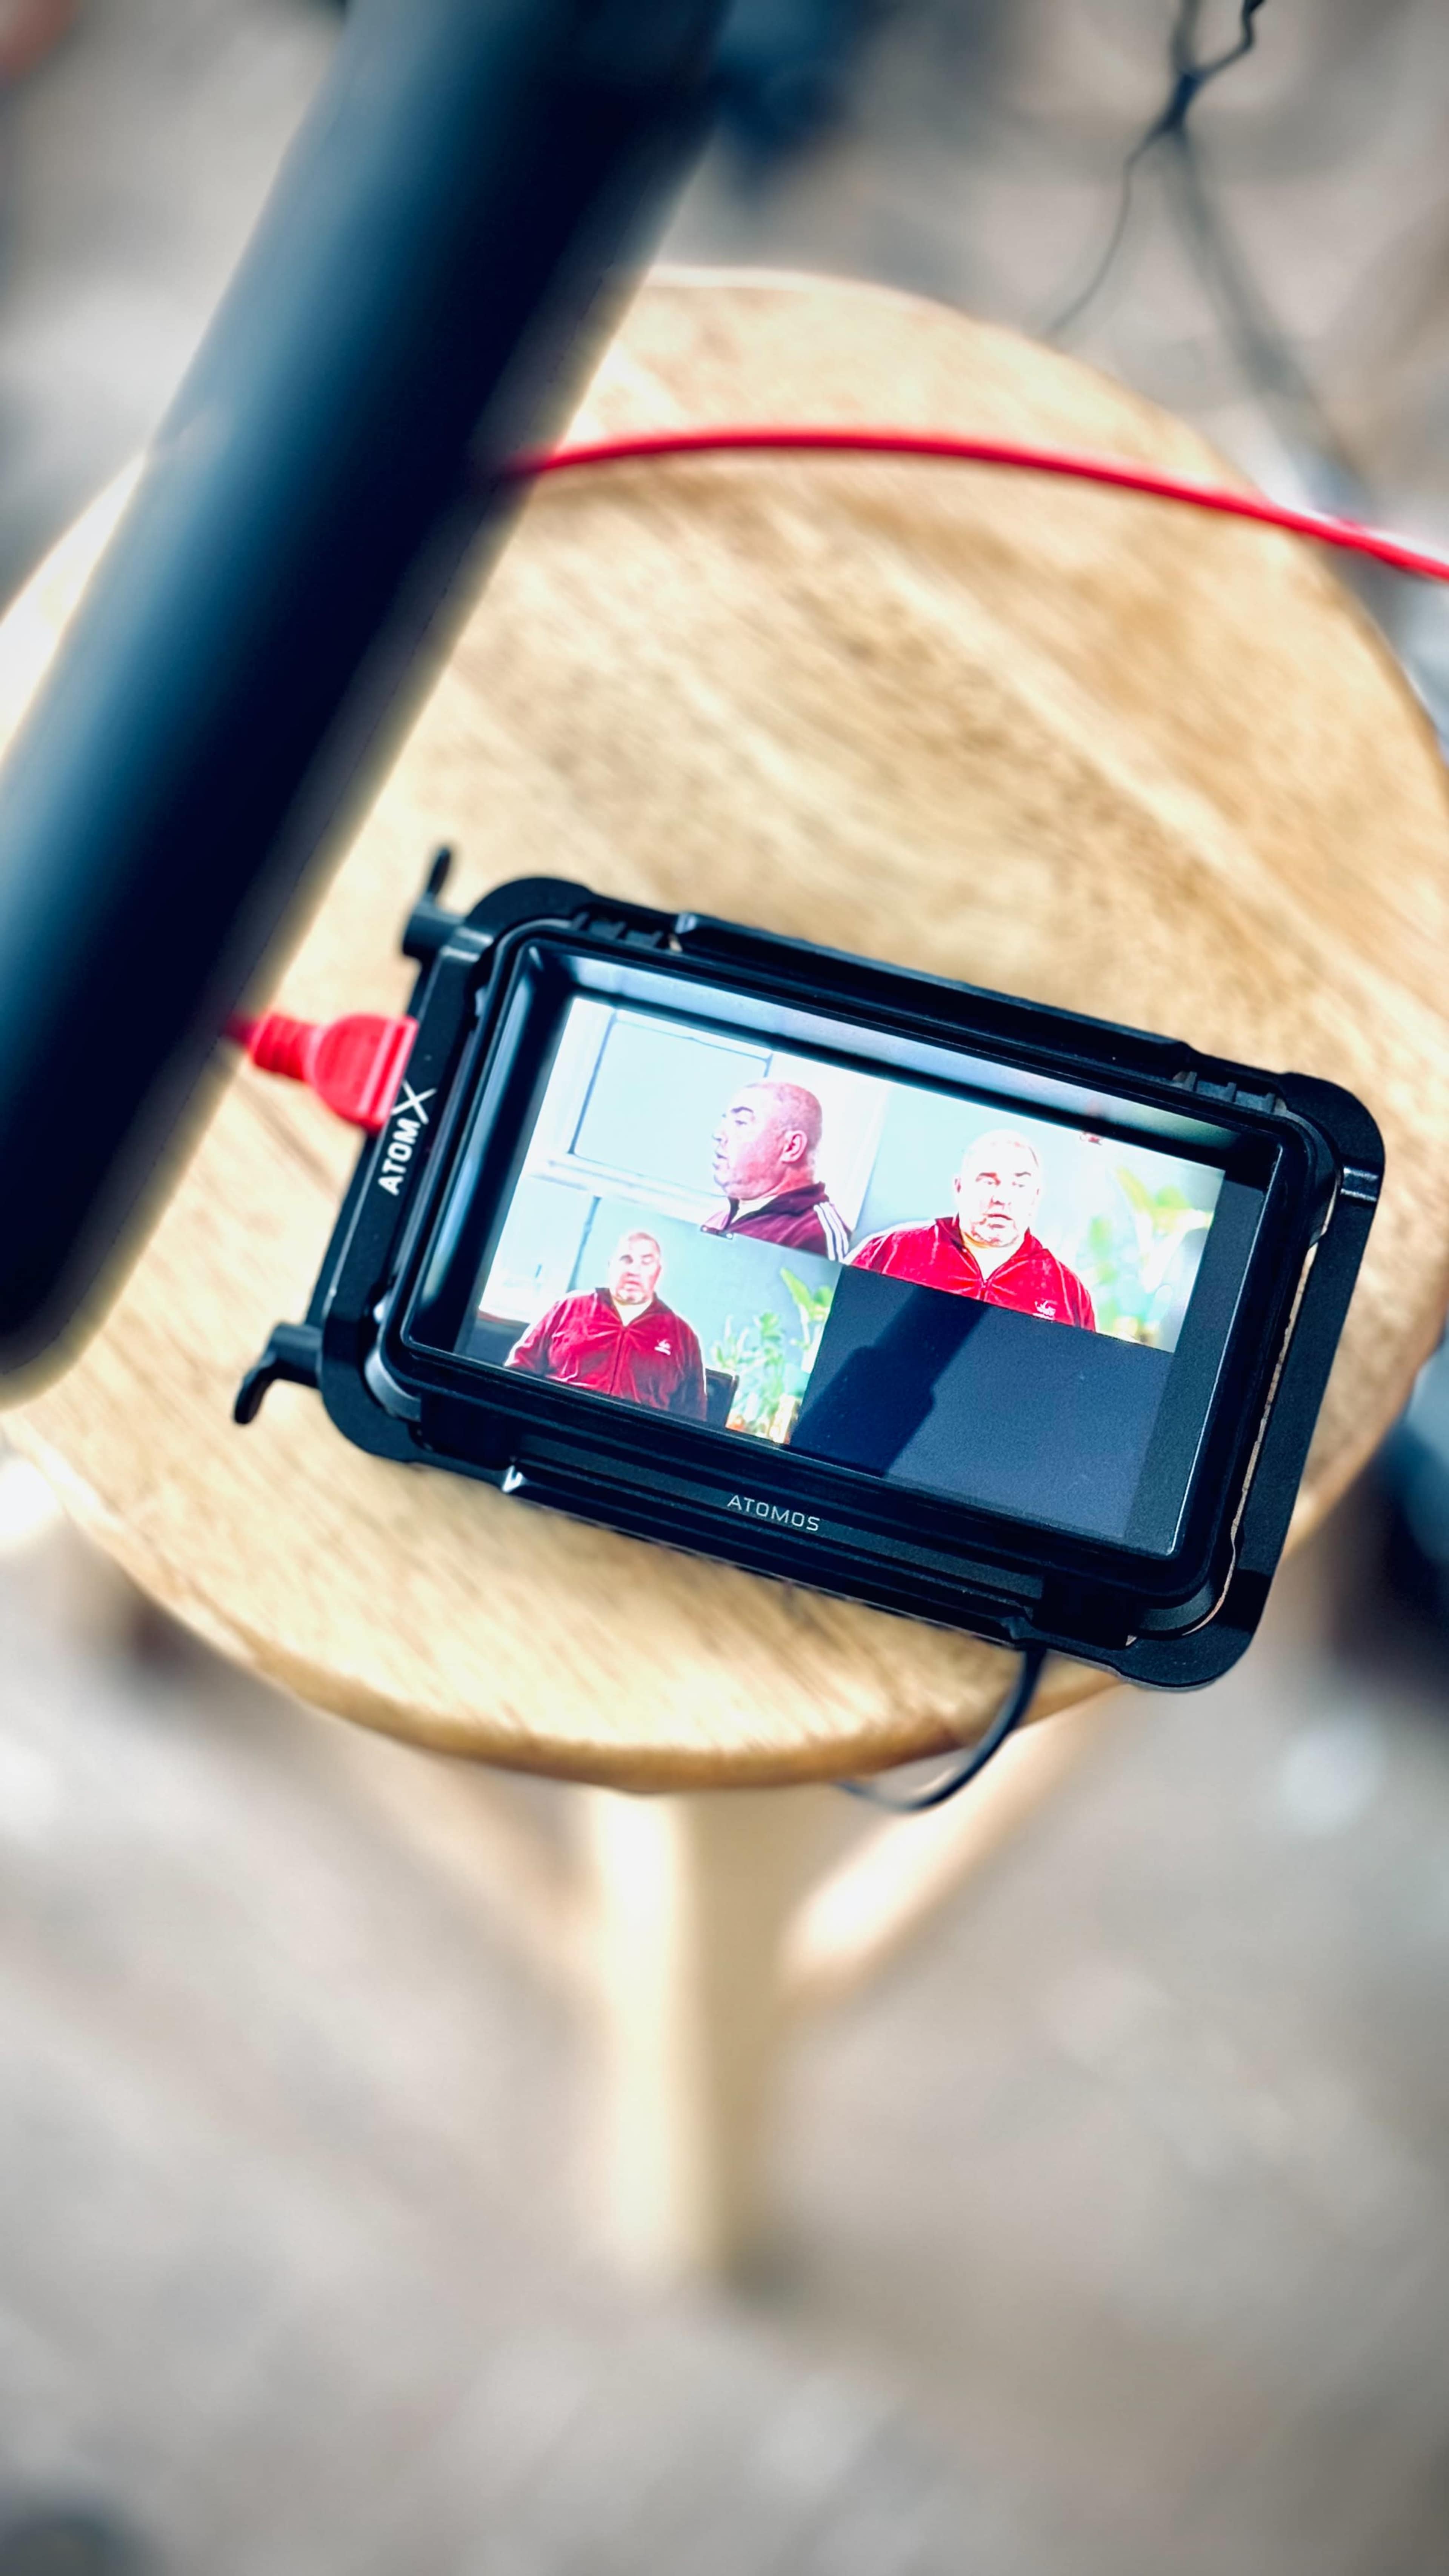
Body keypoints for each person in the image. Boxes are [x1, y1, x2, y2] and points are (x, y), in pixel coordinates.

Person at [850, 1126, 1096, 1329]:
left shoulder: (1068, 1292)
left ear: (1036, 1196)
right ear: (959, 1187)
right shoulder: (891, 1251)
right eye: (989, 1181)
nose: (1002, 1197)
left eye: (1019, 1185)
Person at [505, 1228, 707, 1417]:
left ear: (658, 1272)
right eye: (626, 1260)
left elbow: (692, 1415)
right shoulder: (568, 1308)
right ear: (611, 1266)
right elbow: (519, 1373)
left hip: (630, 1446)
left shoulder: (683, 1336)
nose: (634, 1270)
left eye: (646, 1262)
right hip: (556, 1427)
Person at [704, 1079, 850, 1258]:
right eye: (726, 1121)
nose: (719, 1135)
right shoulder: (720, 1220)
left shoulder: (816, 1235)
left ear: (791, 1147)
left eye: (741, 1123)